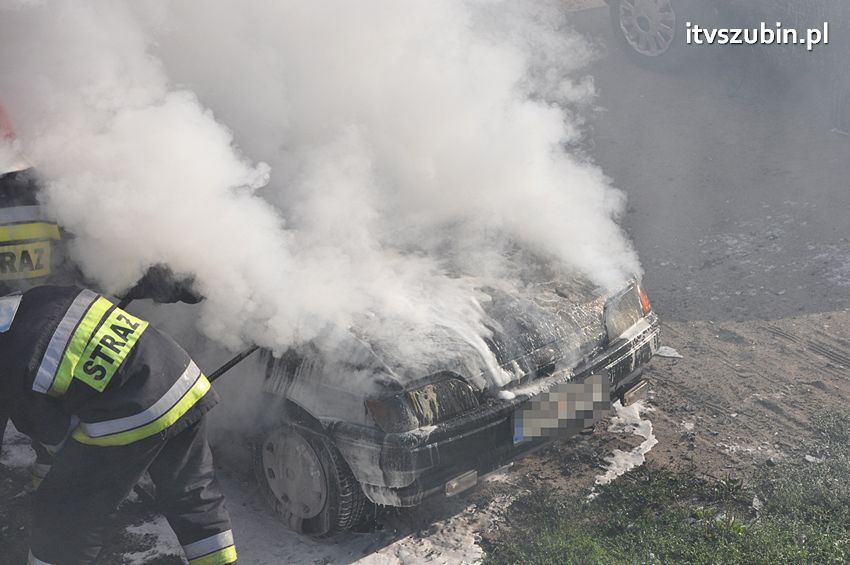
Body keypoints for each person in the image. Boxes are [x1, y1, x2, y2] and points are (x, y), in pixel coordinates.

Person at [0, 286, 236, 565]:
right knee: (192, 495)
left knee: (64, 515)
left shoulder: (12, 360)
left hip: (129, 406)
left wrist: (50, 488)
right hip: (181, 379)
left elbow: (53, 435)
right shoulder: (38, 297)